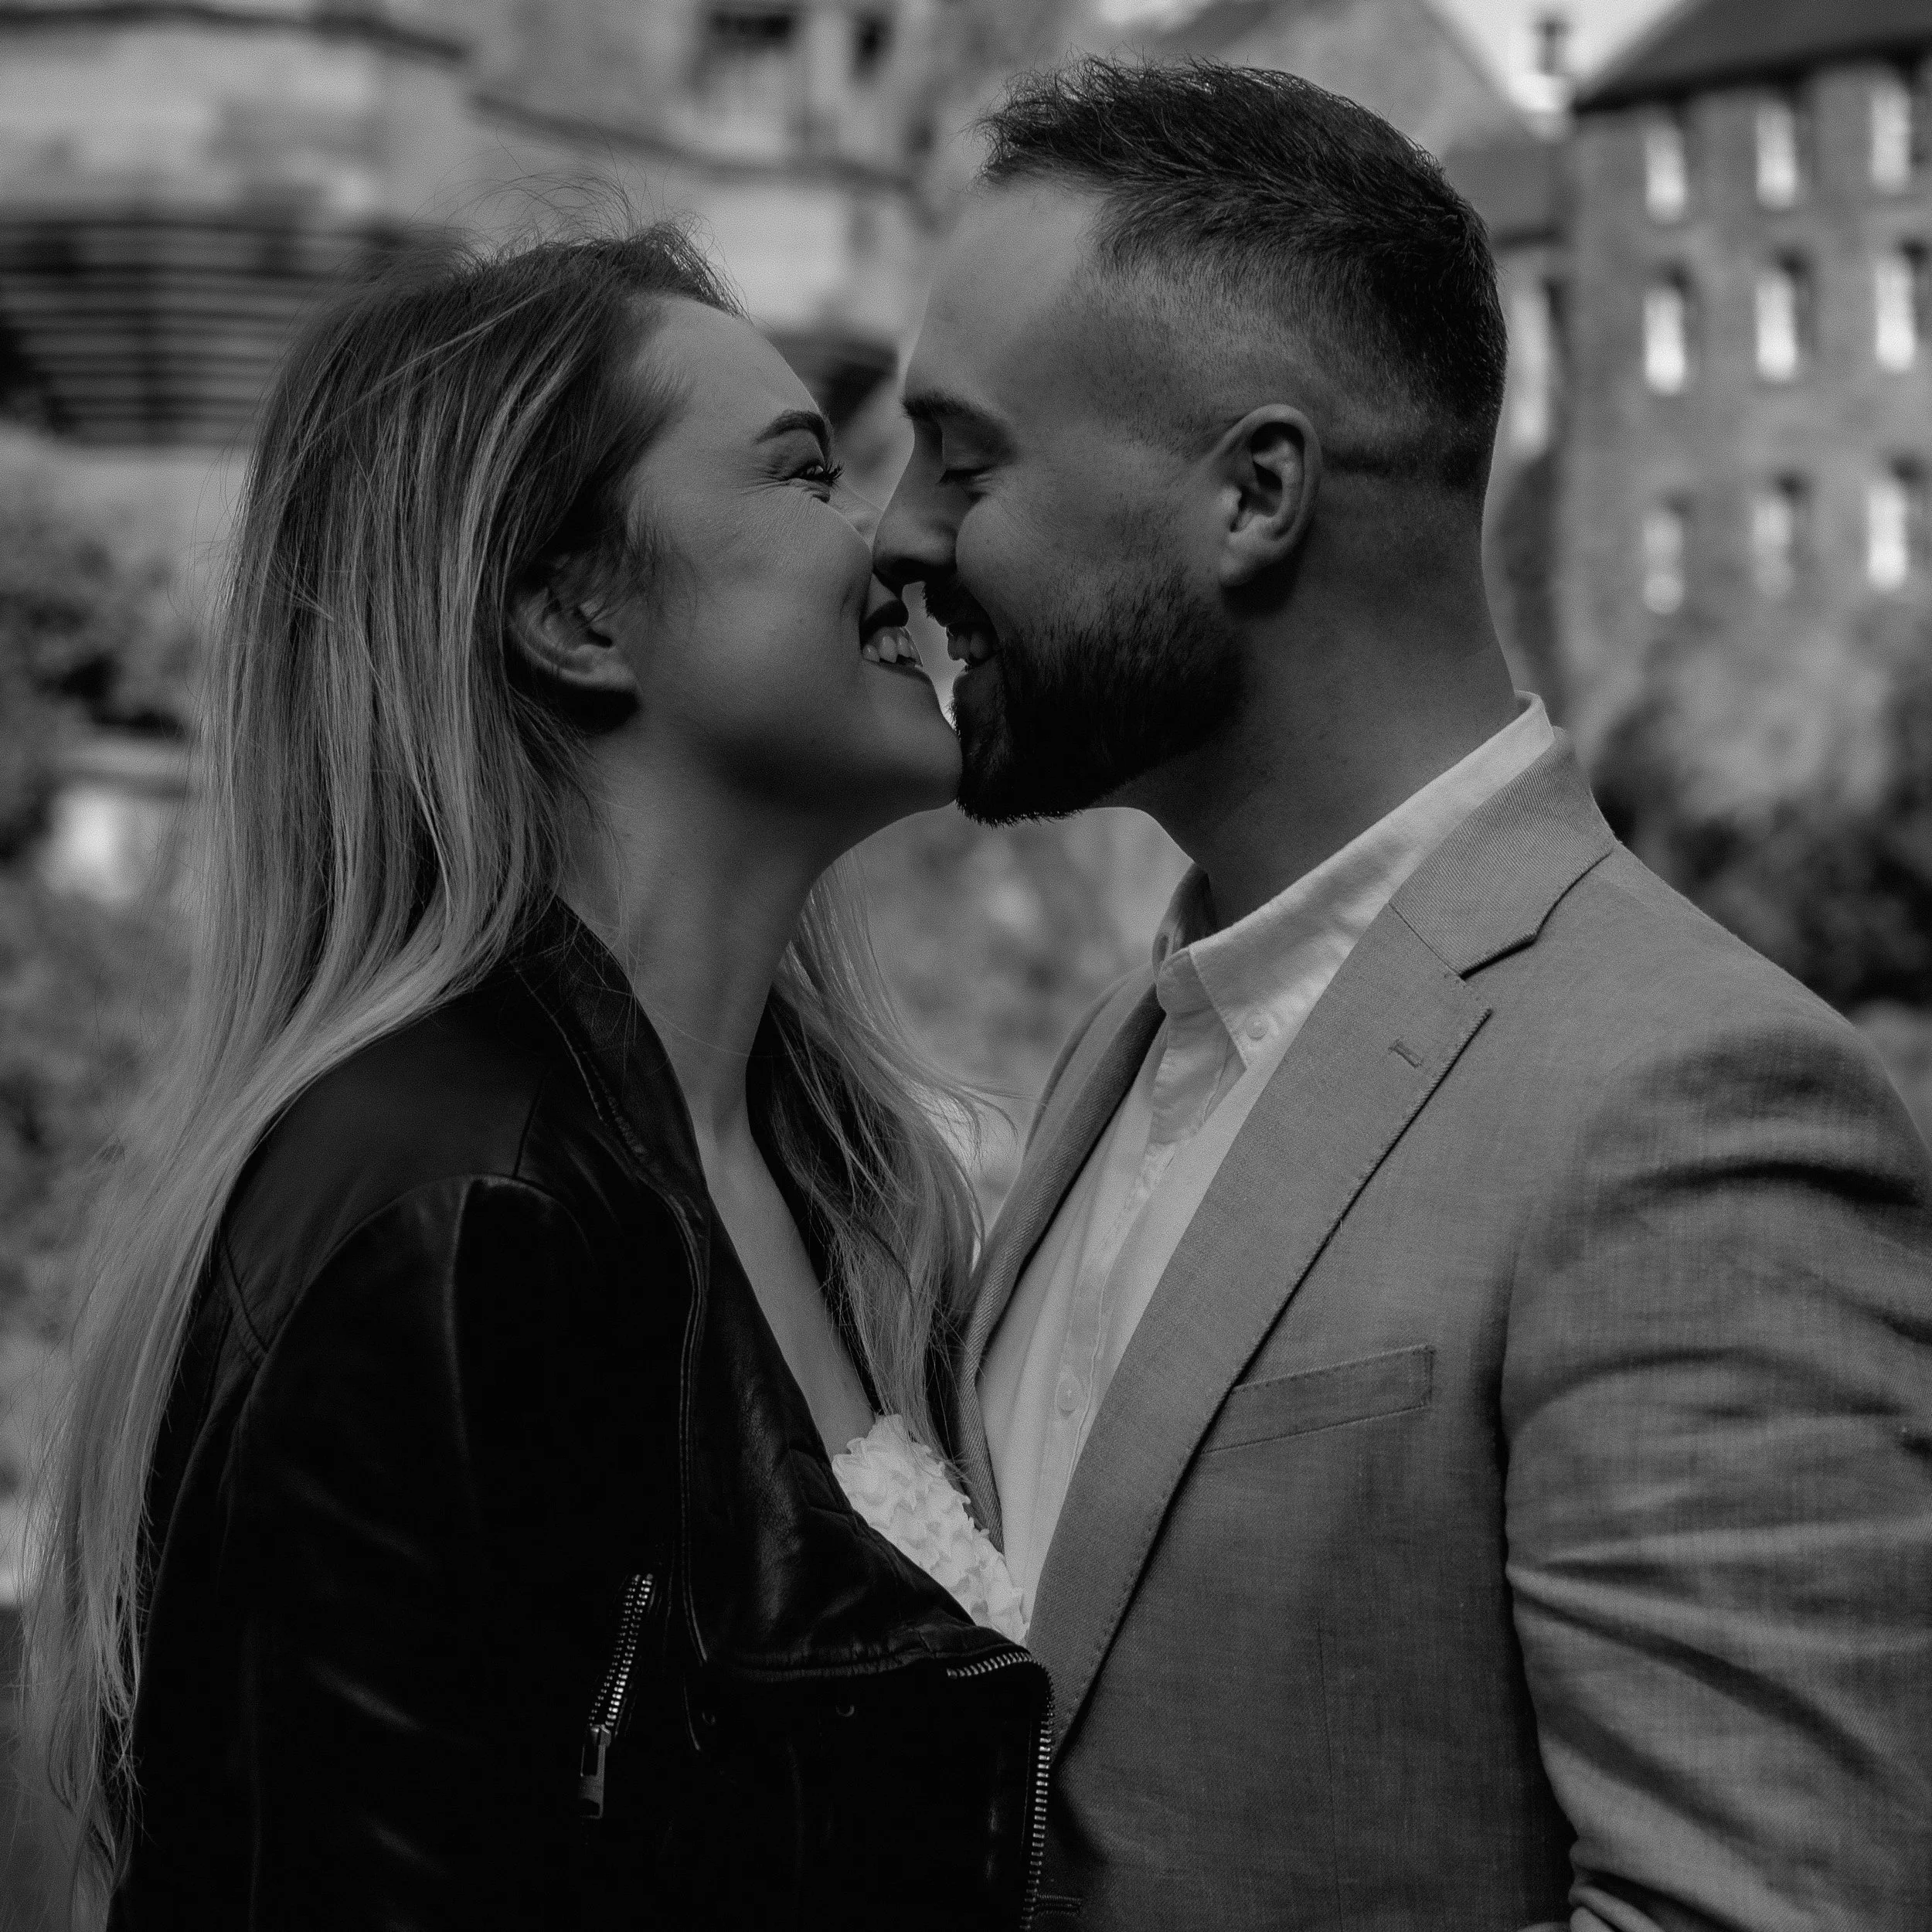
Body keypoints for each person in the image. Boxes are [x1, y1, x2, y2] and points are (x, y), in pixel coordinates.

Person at [874, 57, 1932, 1932]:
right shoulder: (1129, 1038)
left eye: (964, 459)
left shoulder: (1689, 1111)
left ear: (1253, 494)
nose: (898, 531)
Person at [29, 226, 1046, 1931]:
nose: (891, 542)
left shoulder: (850, 1186)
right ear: (575, 613)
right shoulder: (451, 1209)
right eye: (803, 475)